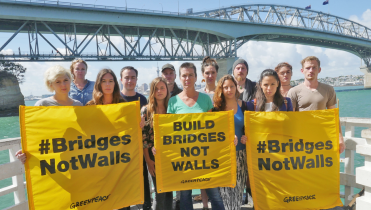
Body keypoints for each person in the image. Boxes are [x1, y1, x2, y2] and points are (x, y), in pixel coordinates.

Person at [164, 62, 225, 210]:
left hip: (205, 156)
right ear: (180, 78)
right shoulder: (173, 102)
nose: (187, 78)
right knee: (185, 195)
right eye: (184, 75)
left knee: (214, 194)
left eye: (191, 75)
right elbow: (170, 132)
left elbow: (213, 129)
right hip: (184, 158)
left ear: (196, 77)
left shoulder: (205, 100)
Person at [15, 65, 82, 163]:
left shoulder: (78, 105)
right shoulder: (42, 105)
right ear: (51, 84)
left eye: (65, 80)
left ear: (70, 81)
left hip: (74, 156)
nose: (63, 84)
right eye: (58, 82)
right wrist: (25, 151)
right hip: (52, 157)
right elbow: (34, 133)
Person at [287, 56, 345, 153]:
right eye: (308, 68)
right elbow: (290, 119)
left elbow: (333, 116)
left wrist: (340, 138)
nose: (311, 70)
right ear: (302, 71)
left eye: (314, 67)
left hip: (322, 138)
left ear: (319, 70)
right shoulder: (294, 91)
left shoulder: (328, 89)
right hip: (301, 139)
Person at [212, 75, 248, 210]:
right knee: (226, 196)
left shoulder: (244, 105)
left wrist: (246, 136)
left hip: (242, 155)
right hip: (224, 157)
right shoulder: (216, 109)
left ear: (236, 87)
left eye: (231, 86)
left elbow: (250, 128)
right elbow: (211, 132)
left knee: (238, 194)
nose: (229, 90)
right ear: (221, 90)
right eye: (225, 87)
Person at [119, 66, 151, 210]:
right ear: (121, 80)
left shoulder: (142, 98)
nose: (130, 80)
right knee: (123, 185)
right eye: (126, 77)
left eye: (132, 77)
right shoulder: (116, 99)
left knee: (143, 182)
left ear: (137, 80)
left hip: (139, 149)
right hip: (122, 151)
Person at [141, 77, 173, 210]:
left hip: (171, 155)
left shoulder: (172, 107)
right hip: (154, 156)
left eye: (162, 88)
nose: (159, 91)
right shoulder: (146, 110)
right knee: (160, 193)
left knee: (170, 191)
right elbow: (144, 139)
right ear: (152, 91)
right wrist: (148, 160)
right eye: (156, 89)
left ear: (167, 90)